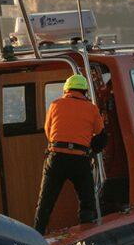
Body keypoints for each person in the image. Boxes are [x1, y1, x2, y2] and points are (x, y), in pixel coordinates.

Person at [33, 74, 106, 236]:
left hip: (56, 157)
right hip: (80, 159)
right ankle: (88, 237)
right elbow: (102, 138)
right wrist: (91, 149)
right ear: (85, 92)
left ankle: (37, 236)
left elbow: (48, 131)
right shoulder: (92, 108)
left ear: (66, 90)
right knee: (87, 201)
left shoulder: (55, 105)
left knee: (45, 202)